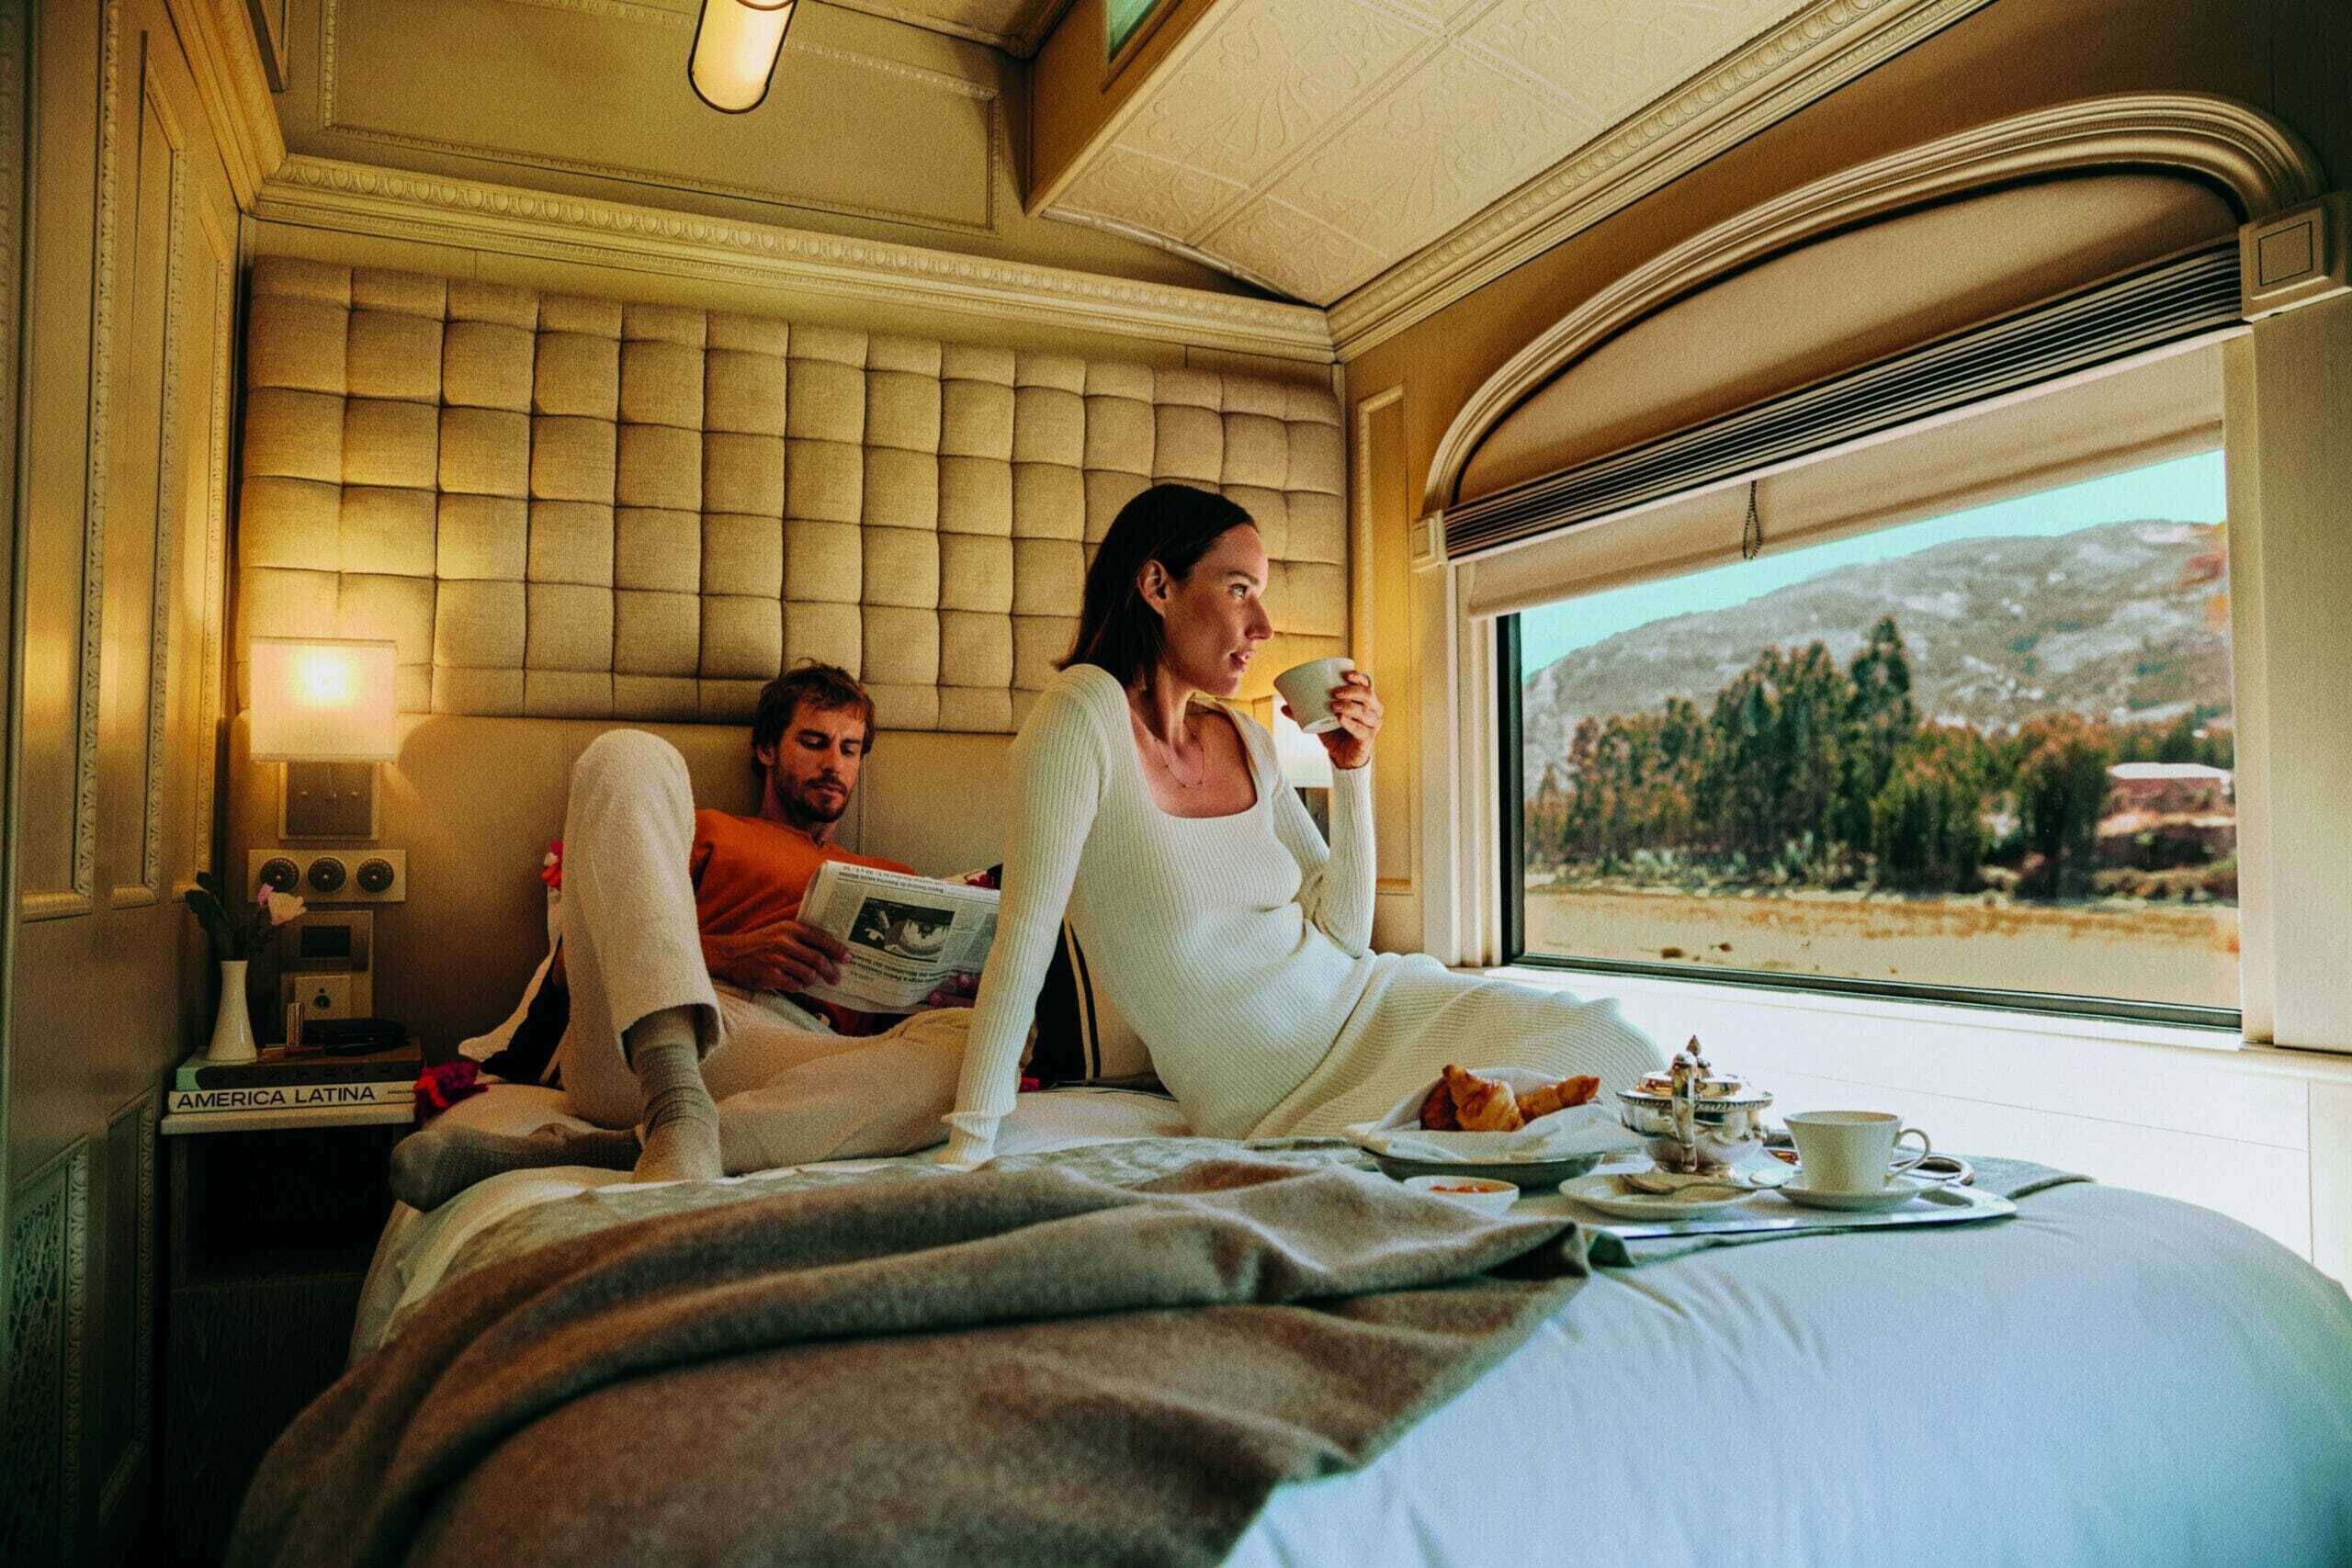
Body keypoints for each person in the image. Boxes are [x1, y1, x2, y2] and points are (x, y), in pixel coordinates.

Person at [939, 483, 1666, 1167]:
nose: (1263, 625)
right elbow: (1025, 937)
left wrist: (1352, 770)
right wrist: (970, 1145)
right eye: (1238, 590)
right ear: (1157, 586)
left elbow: (1345, 933)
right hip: (1283, 1098)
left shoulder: (1242, 735)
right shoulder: (1081, 711)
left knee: (1618, 1045)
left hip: (1378, 1006)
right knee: (1472, 1152)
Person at [389, 663, 974, 1210]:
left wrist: (935, 995)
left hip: (802, 1060)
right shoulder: (706, 830)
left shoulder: (891, 878)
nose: (835, 764)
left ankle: (611, 1147)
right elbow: (573, 965)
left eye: (850, 749)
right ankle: (672, 1095)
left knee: (981, 1048)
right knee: (629, 753)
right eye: (814, 742)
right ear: (767, 749)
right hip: (652, 1038)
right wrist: (727, 955)